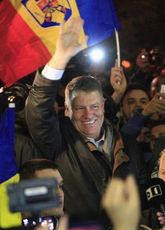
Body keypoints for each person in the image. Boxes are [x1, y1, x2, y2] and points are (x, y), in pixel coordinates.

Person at [25, 17, 134, 218]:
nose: (88, 114)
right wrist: (59, 59)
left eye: (94, 106)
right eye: (79, 108)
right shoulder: (57, 141)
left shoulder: (124, 141)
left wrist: (118, 94)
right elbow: (38, 110)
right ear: (67, 110)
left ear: (102, 104)